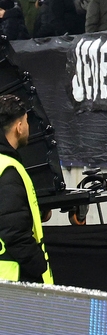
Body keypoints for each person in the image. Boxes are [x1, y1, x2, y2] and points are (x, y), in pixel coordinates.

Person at [0, 95, 53, 284]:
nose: (28, 127)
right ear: (19, 127)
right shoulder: (8, 169)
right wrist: (39, 266)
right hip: (11, 285)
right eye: (26, 121)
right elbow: (14, 233)